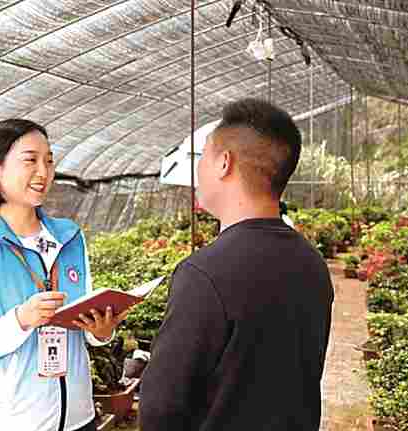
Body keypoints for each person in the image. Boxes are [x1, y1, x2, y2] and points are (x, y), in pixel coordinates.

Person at [139, 99, 334, 430]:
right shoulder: (312, 263)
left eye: (203, 158)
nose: (198, 170)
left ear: (224, 163)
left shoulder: (204, 274)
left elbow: (161, 408)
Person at [0, 119, 126, 431]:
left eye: (49, 161)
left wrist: (101, 331)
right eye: (30, 160)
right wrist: (21, 319)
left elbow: (84, 326)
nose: (43, 172)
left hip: (78, 418)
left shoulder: (70, 238)